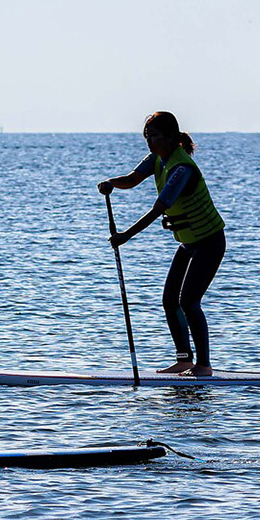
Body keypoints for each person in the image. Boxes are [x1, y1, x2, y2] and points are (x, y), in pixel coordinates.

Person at [98, 111, 227, 377]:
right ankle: (184, 361)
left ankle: (204, 366)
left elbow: (160, 208)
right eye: (147, 136)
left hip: (209, 242)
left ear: (170, 137)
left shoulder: (182, 169)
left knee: (189, 300)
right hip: (188, 243)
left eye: (154, 136)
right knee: (170, 300)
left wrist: (125, 236)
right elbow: (133, 179)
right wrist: (111, 182)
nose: (149, 141)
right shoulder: (156, 158)